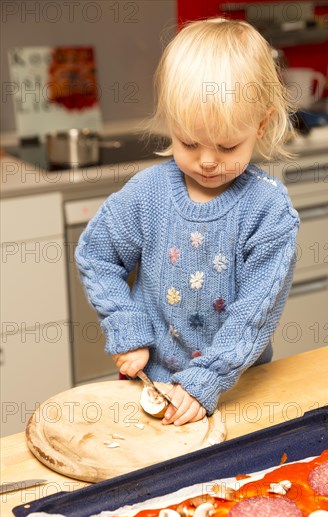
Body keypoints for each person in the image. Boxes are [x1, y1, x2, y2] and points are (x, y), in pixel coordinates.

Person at [75, 18, 300, 427]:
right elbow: (98, 256)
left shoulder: (268, 211)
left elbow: (253, 314)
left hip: (237, 389)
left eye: (228, 145)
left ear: (262, 124)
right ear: (171, 124)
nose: (208, 161)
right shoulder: (147, 193)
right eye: (189, 142)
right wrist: (127, 326)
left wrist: (207, 378)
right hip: (151, 387)